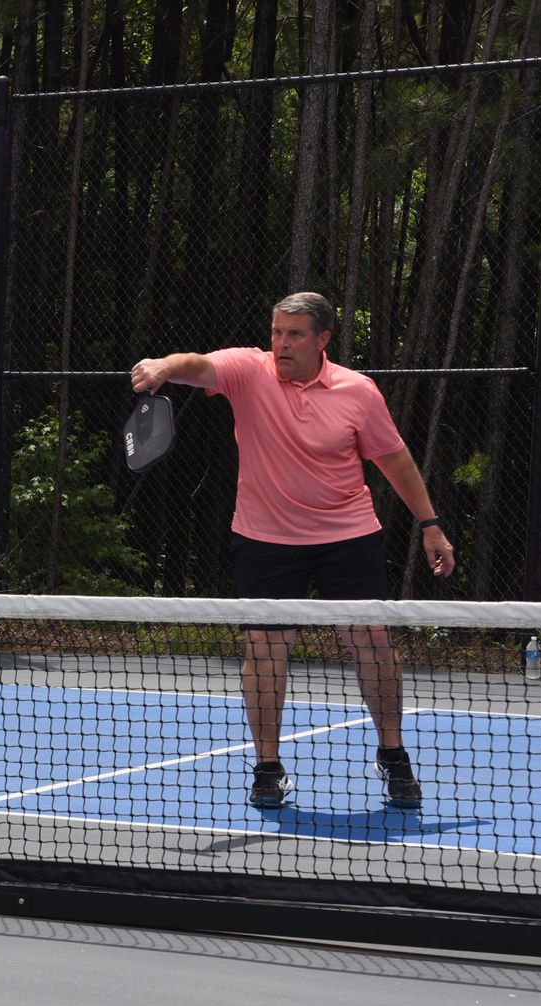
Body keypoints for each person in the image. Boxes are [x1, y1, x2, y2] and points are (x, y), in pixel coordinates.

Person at [130, 292, 456, 810]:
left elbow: (395, 460)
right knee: (264, 650)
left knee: (371, 643)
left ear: (323, 339)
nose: (281, 343)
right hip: (265, 540)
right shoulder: (249, 370)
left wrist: (430, 524)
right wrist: (163, 367)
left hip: (348, 536)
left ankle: (393, 755)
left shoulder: (358, 391)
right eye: (277, 332)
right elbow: (199, 366)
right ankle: (267, 768)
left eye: (295, 334)